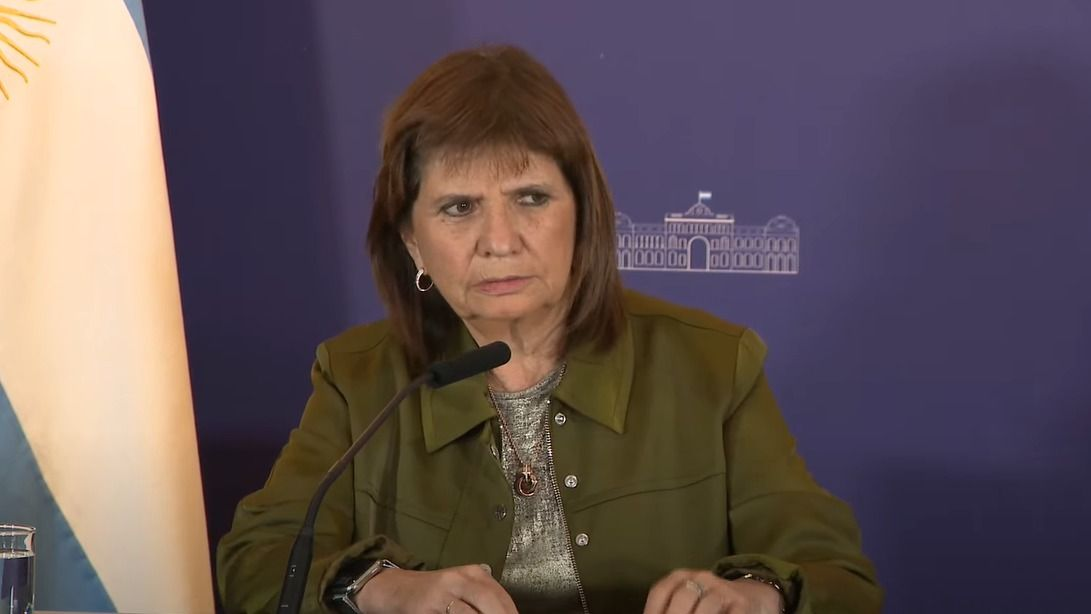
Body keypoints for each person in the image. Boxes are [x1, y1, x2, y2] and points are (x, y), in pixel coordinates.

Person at [217, 45, 881, 614]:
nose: (500, 240)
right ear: (412, 243)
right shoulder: (359, 376)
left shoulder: (712, 364)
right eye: (459, 208)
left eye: (530, 198)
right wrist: (379, 588)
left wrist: (760, 596)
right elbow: (256, 560)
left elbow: (835, 575)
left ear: (583, 215)